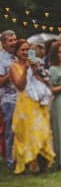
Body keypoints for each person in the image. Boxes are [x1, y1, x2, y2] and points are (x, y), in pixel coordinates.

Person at [9, 39, 56, 174]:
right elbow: (20, 86)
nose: (25, 52)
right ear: (16, 52)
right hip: (25, 102)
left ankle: (43, 161)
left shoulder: (36, 63)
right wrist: (25, 69)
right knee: (29, 133)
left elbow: (45, 82)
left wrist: (36, 70)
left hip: (39, 102)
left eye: (27, 50)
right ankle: (31, 163)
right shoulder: (13, 66)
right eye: (22, 50)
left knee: (43, 131)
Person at [0, 30, 18, 168]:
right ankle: (10, 160)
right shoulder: (1, 59)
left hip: (23, 97)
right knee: (10, 130)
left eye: (14, 40)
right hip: (8, 99)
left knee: (21, 129)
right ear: (4, 43)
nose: (14, 43)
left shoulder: (19, 55)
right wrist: (12, 72)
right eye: (10, 41)